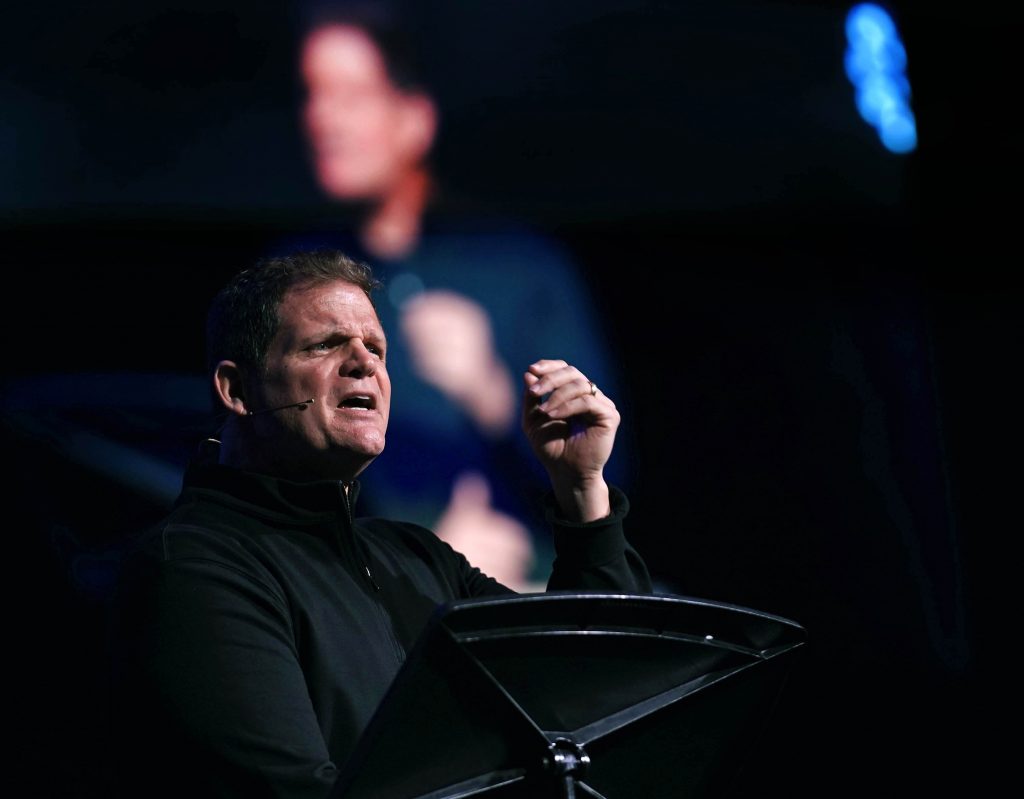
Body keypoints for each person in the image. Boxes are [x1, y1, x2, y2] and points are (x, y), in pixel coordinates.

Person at [107, 249, 652, 799]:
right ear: (237, 389)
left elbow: (593, 692)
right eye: (325, 344)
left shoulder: (418, 558)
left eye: (377, 349)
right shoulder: (195, 566)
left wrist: (581, 487)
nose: (363, 362)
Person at [279, 0, 633, 589]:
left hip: (527, 578)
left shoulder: (516, 266)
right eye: (313, 94)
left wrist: (492, 390)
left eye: (351, 95)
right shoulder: (291, 280)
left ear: (414, 117)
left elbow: (607, 470)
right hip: (360, 588)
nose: (323, 118)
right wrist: (425, 556)